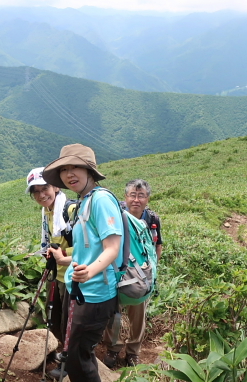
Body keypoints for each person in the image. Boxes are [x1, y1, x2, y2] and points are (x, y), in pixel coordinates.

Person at [42, 144, 123, 382]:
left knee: (78, 357)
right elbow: (89, 248)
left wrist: (89, 272)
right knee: (73, 353)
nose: (69, 174)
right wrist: (64, 259)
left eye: (76, 167)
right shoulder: (84, 201)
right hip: (79, 287)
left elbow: (112, 247)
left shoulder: (101, 200)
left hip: (96, 292)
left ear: (90, 170)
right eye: (65, 169)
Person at [102, 179, 163, 368]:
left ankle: (133, 352)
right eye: (132, 195)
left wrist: (151, 272)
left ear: (147, 198)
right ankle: (113, 348)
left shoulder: (152, 219)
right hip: (116, 271)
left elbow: (157, 245)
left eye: (141, 195)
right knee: (112, 313)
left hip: (141, 275)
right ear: (126, 197)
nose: (136, 200)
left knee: (138, 314)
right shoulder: (117, 215)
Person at [24, 167, 74, 369]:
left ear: (55, 186)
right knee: (55, 318)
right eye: (35, 191)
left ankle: (69, 361)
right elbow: (50, 242)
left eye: (44, 188)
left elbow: (90, 248)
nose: (41, 194)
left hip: (73, 275)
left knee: (69, 321)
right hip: (56, 274)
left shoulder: (69, 210)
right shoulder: (47, 212)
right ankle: (60, 351)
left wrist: (63, 257)